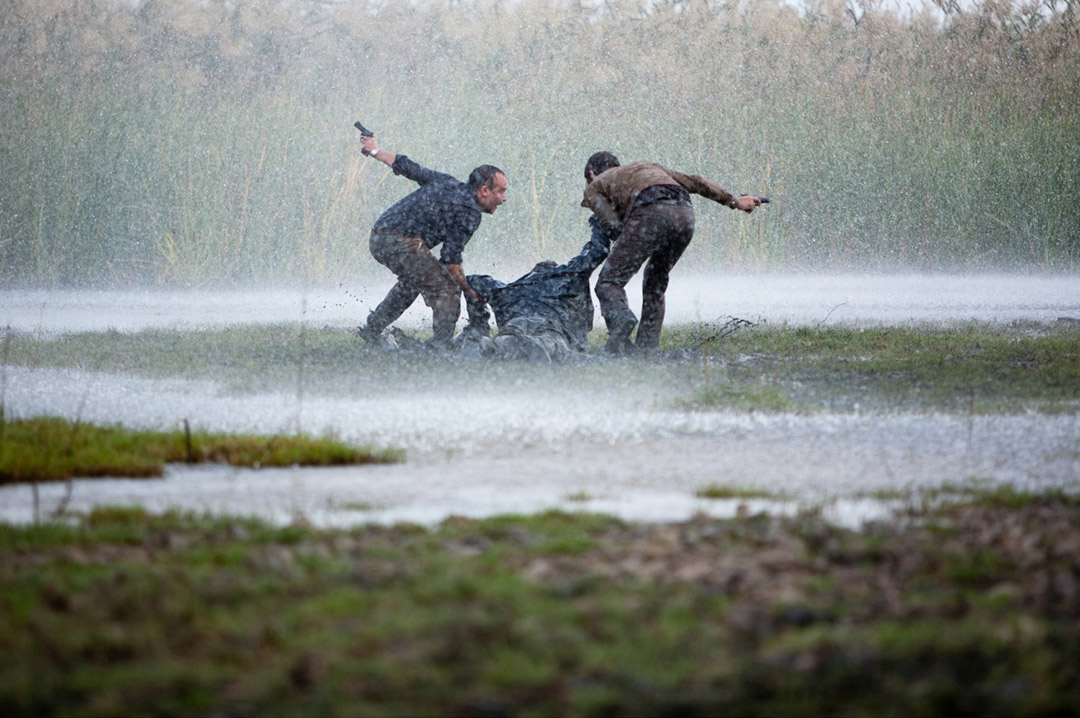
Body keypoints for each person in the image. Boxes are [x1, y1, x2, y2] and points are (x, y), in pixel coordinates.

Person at [580, 151, 763, 355]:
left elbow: (613, 226)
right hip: (685, 215)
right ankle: (648, 348)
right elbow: (696, 182)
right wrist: (735, 201)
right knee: (655, 281)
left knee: (608, 282)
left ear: (592, 173)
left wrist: (621, 240)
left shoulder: (594, 186)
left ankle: (621, 324)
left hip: (651, 211)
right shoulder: (645, 166)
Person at [354, 132, 507, 350]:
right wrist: (468, 290)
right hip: (399, 241)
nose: (503, 198)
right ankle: (440, 348)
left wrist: (375, 150)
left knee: (411, 283)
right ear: (484, 190)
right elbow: (450, 259)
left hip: (379, 235)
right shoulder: (470, 211)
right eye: (500, 191)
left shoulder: (447, 182)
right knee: (447, 287)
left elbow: (409, 167)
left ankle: (372, 330)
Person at [461, 215, 614, 363]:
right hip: (548, 323)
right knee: (551, 341)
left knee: (507, 338)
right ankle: (540, 344)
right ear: (554, 269)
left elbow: (473, 281)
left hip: (517, 321)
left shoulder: (509, 290)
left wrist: (479, 323)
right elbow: (598, 250)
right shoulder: (567, 277)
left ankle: (486, 345)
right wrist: (597, 218)